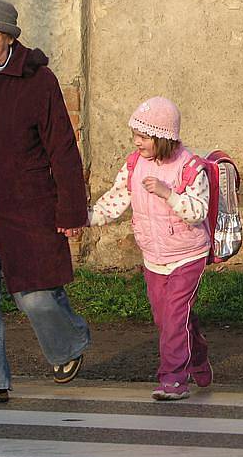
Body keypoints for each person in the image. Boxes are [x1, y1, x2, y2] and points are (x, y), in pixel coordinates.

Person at [0, 0, 90, 405]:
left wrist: (70, 207)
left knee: (35, 295)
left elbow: (63, 147)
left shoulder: (38, 80)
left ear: (10, 37)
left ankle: (69, 343)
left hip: (27, 208)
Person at [88, 97, 213, 401]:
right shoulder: (133, 165)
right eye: (135, 135)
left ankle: (173, 379)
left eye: (143, 137)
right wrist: (86, 218)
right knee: (165, 319)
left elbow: (198, 211)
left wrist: (168, 193)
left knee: (174, 317)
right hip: (154, 257)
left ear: (163, 137)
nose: (136, 142)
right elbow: (116, 198)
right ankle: (196, 355)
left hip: (187, 254)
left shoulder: (191, 168)